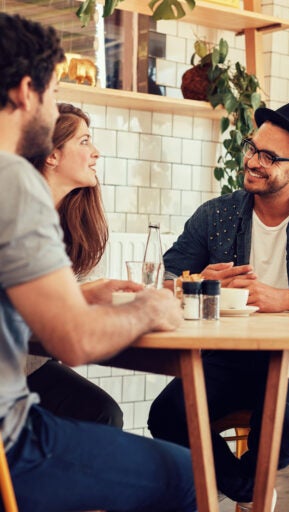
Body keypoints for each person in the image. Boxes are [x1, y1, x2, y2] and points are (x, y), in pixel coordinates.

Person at [0, 13, 195, 511]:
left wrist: (83, 295)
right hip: (11, 446)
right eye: (52, 90)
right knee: (194, 478)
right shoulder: (13, 180)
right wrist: (150, 308)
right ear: (26, 92)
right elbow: (76, 341)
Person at [147, 100, 289, 507]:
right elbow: (161, 280)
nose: (253, 161)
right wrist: (196, 284)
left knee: (285, 424)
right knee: (167, 414)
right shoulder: (216, 215)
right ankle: (251, 491)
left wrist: (280, 299)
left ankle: (244, 490)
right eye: (252, 148)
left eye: (269, 157)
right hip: (229, 357)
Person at [25, 102, 133, 428]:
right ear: (51, 154)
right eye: (84, 141)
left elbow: (89, 290)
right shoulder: (17, 214)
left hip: (31, 364)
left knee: (103, 413)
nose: (95, 152)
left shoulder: (76, 221)